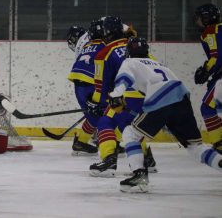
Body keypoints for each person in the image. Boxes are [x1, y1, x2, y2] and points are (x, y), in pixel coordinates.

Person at [109, 37, 222, 193]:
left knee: (130, 134)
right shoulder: (158, 64)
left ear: (128, 52)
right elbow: (170, 88)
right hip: (182, 99)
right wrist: (171, 120)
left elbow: (124, 78)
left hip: (161, 98)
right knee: (195, 146)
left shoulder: (129, 62)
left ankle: (139, 176)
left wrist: (116, 95)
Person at [87, 17, 157, 177]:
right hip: (149, 98)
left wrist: (96, 103)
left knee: (105, 122)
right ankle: (147, 159)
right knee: (133, 128)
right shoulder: (136, 46)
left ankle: (109, 160)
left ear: (106, 33)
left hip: (126, 98)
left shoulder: (104, 52)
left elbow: (102, 86)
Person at [67, 21, 105, 155]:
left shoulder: (85, 44)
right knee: (109, 114)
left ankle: (82, 142)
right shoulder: (104, 43)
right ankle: (112, 144)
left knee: (94, 115)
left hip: (78, 81)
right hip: (92, 81)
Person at [193, 4, 222, 153]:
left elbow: (216, 57)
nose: (198, 22)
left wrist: (206, 70)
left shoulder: (211, 30)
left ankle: (219, 144)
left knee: (207, 107)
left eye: (200, 18)